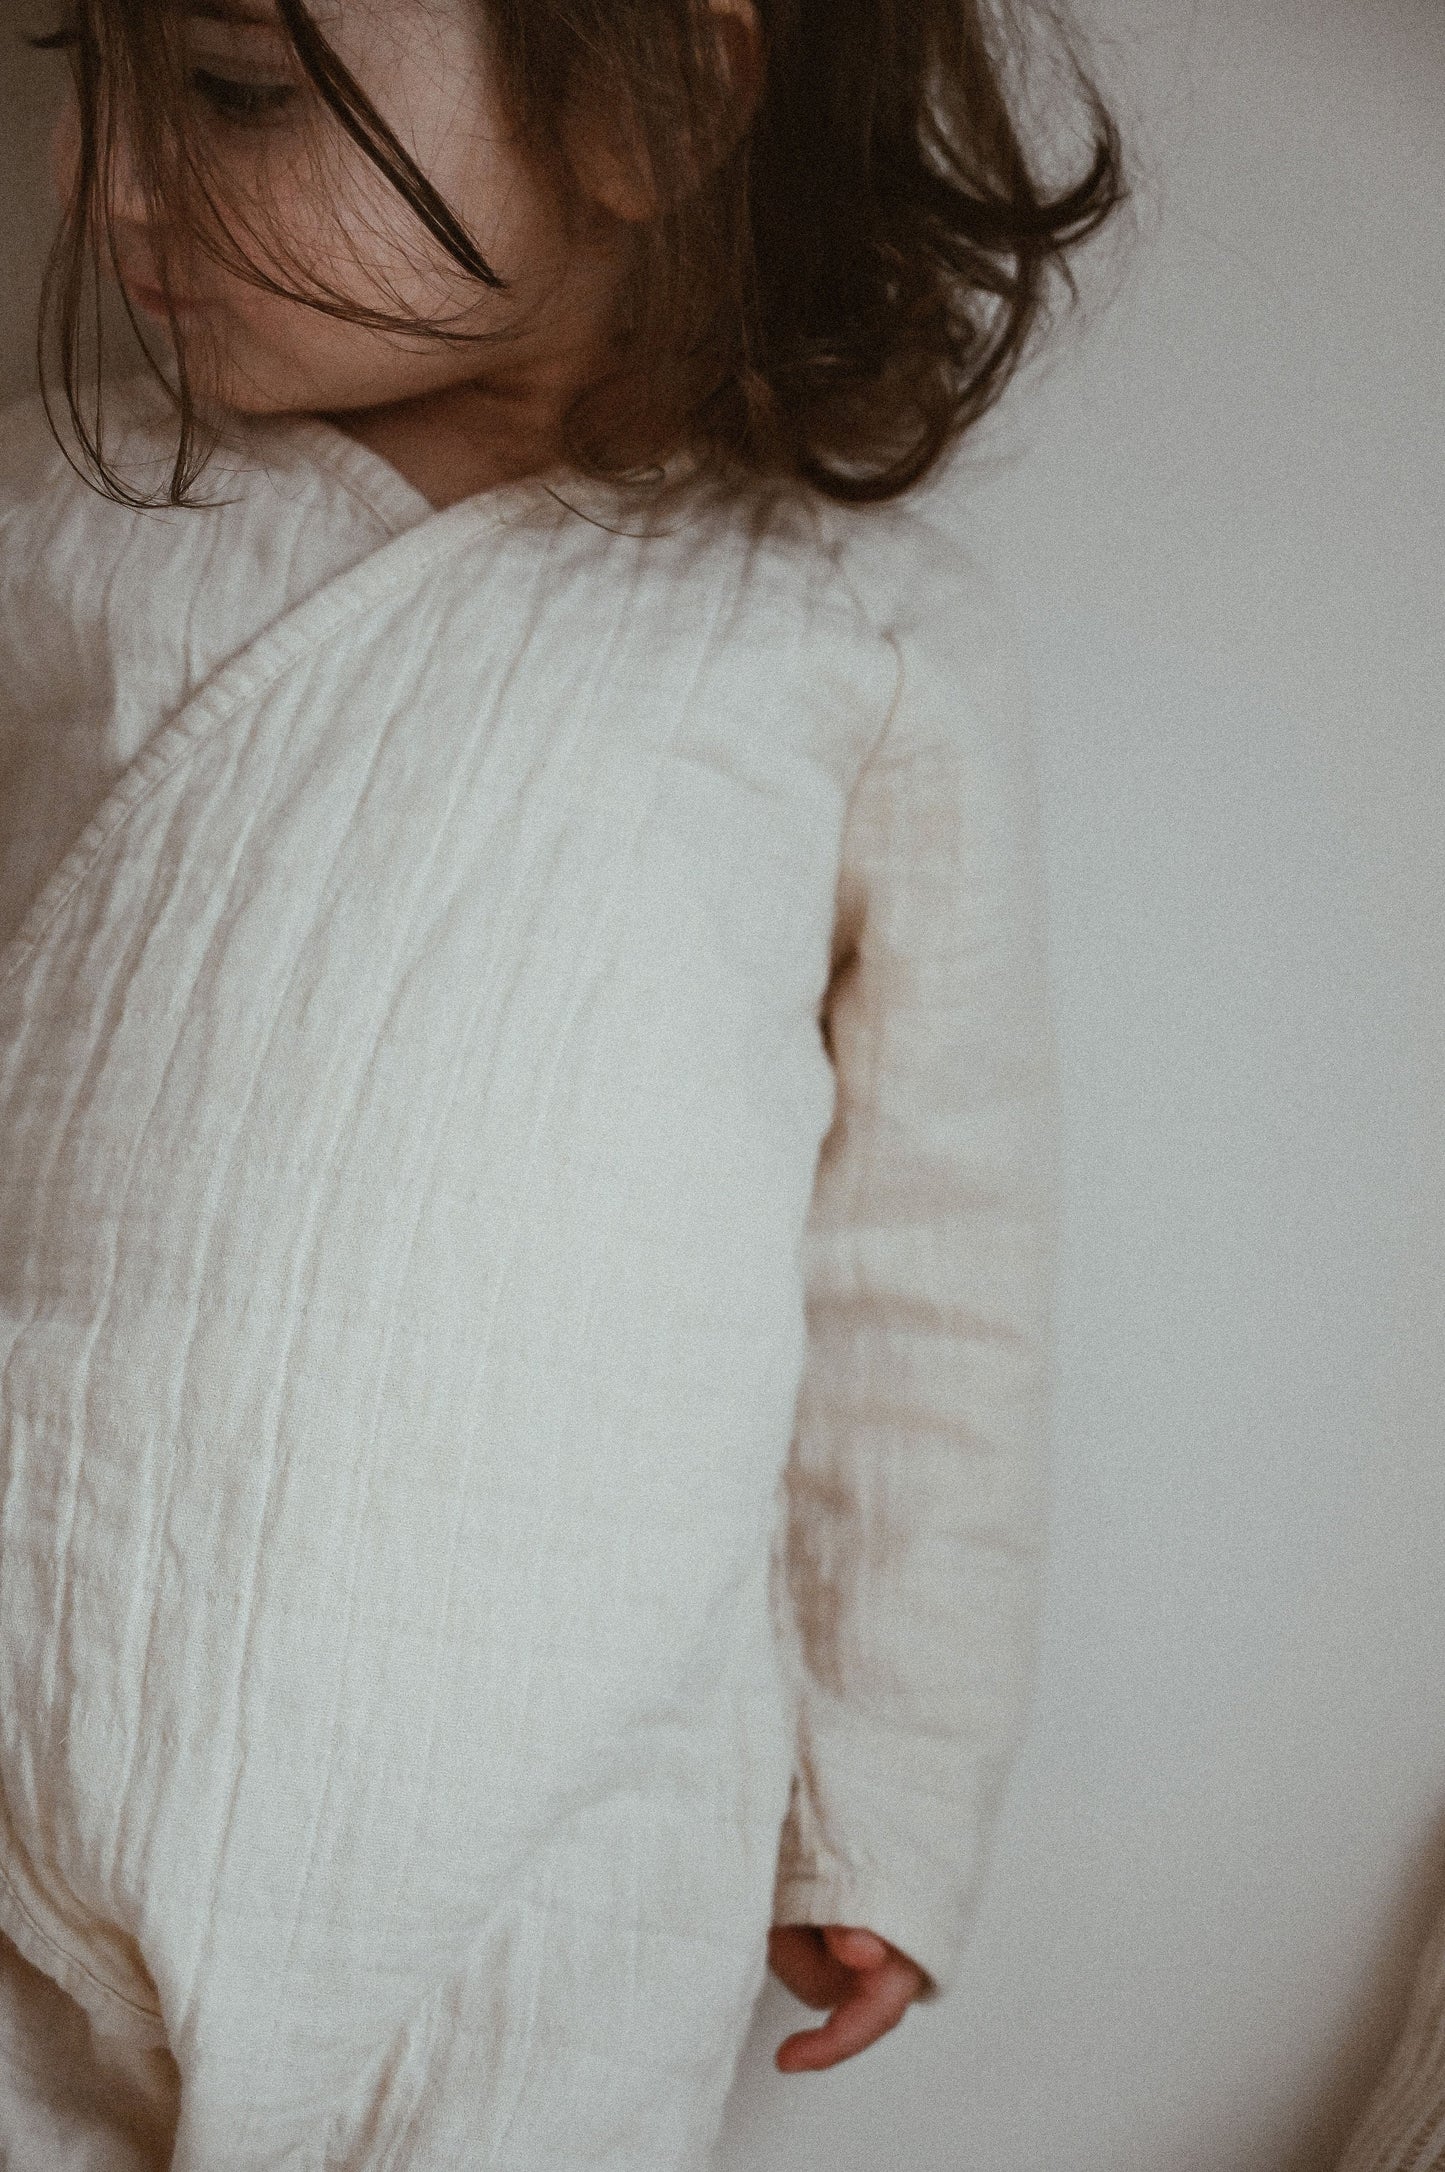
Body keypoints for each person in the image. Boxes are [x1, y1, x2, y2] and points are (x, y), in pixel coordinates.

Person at [0, 0, 1122, 2162]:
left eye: (227, 90)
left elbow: (932, 1279)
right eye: (86, 74)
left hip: (573, 1820)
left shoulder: (849, 637)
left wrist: (883, 1791)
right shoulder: (63, 522)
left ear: (659, 99)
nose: (97, 182)